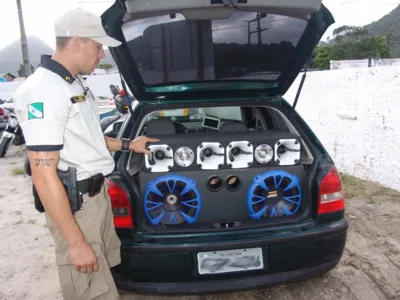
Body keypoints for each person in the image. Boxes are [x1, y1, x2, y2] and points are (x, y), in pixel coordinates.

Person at [13, 8, 158, 300]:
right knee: (90, 286)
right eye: (98, 45)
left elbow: (89, 138)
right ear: (78, 42)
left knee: (101, 269)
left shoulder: (72, 83)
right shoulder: (44, 90)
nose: (101, 54)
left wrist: (130, 144)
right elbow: (43, 173)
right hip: (76, 208)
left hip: (94, 197)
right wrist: (75, 242)